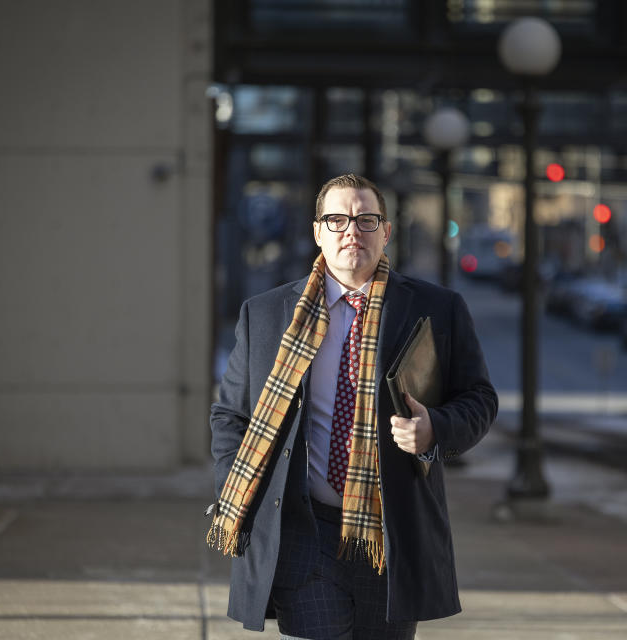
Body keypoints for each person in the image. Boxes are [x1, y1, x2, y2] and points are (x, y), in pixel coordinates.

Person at [206, 173, 498, 639]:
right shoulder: (265, 314)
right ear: (317, 230)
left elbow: (480, 399)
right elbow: (231, 416)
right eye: (337, 219)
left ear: (386, 232)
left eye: (366, 220)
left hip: (393, 535)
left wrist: (435, 429)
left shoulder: (437, 308)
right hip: (304, 532)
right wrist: (242, 490)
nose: (352, 231)